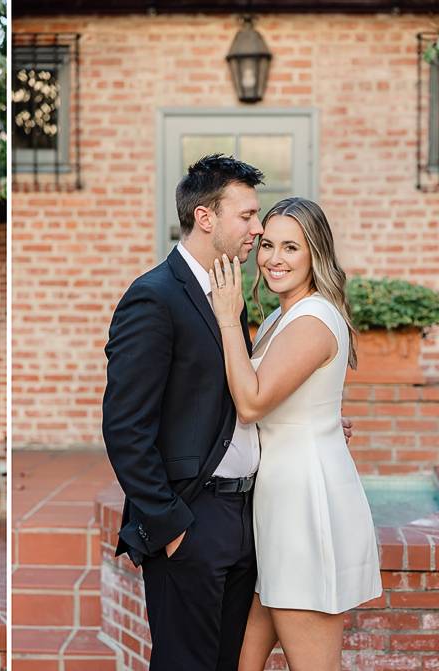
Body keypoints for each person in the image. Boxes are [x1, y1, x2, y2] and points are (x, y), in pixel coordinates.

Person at [102, 154, 353, 671]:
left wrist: (308, 423)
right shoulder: (153, 297)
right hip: (193, 518)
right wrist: (172, 528)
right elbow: (125, 428)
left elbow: (235, 396)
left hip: (249, 516)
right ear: (205, 217)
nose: (257, 230)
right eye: (248, 217)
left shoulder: (229, 295)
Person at [208, 197, 381, 671]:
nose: (273, 258)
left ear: (315, 254)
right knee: (243, 659)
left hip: (305, 508)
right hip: (275, 502)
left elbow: (250, 402)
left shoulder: (312, 319)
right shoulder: (278, 319)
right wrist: (324, 420)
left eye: (291, 247)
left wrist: (227, 315)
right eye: (267, 245)